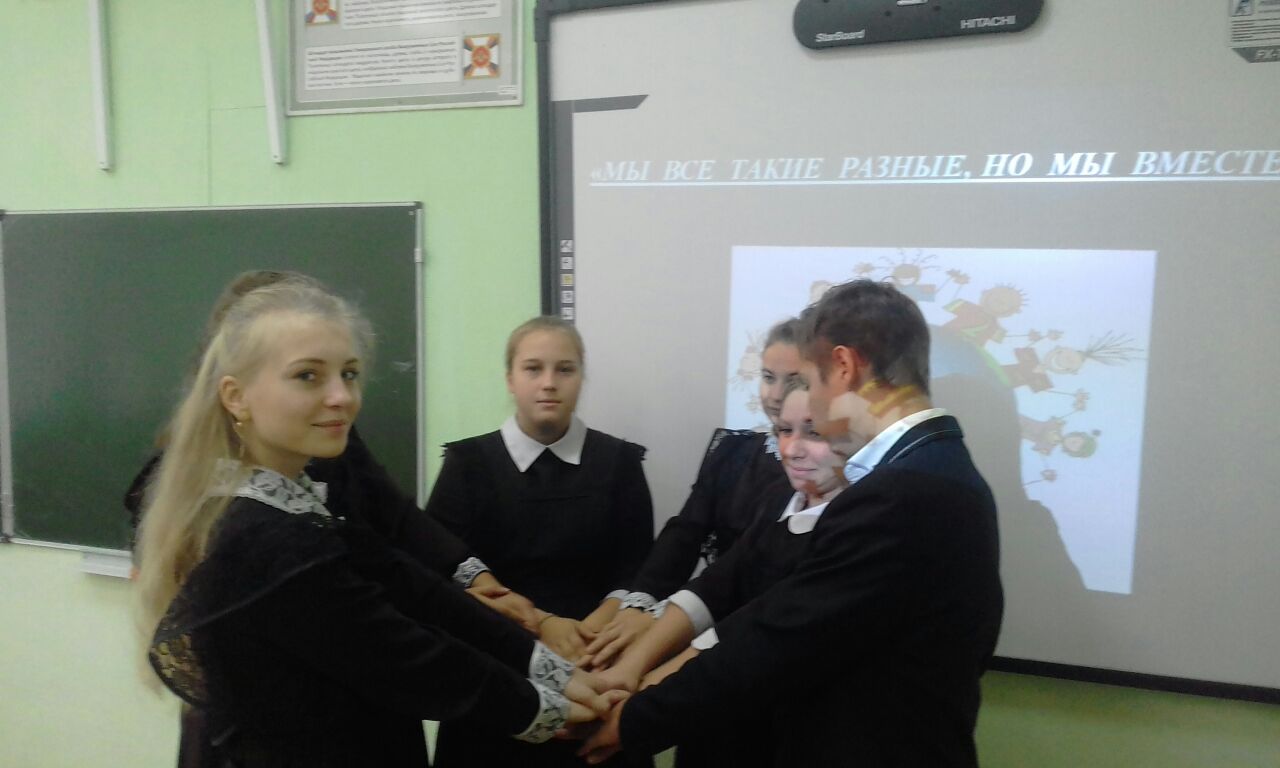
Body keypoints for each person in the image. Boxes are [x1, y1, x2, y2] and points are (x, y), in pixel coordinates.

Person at [135, 278, 618, 767]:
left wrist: (545, 666)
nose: (342, 397)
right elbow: (400, 653)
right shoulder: (264, 537)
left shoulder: (296, 498)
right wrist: (546, 709)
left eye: (349, 374)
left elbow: (402, 574)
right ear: (235, 396)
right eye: (307, 376)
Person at [578, 279, 1004, 768]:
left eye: (810, 381)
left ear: (843, 367)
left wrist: (632, 721)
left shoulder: (903, 492)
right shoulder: (937, 465)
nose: (806, 408)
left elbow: (776, 639)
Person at [426, 315, 654, 768]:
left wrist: (588, 637)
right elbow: (443, 573)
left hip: (599, 664)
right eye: (533, 369)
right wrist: (544, 626)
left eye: (564, 369)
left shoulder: (620, 462)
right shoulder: (467, 465)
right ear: (510, 379)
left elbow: (638, 569)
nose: (549, 383)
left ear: (581, 378)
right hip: (497, 675)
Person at [621, 377, 854, 768]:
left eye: (814, 433)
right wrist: (631, 668)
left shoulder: (851, 528)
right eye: (784, 431)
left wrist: (643, 694)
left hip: (785, 725)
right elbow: (718, 584)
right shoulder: (781, 497)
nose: (792, 449)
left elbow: (753, 633)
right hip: (721, 706)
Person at [581, 318, 802, 670]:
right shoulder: (732, 451)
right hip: (702, 611)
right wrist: (641, 604)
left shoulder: (816, 470)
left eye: (793, 381)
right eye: (768, 377)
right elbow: (685, 532)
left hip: (770, 633)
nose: (775, 395)